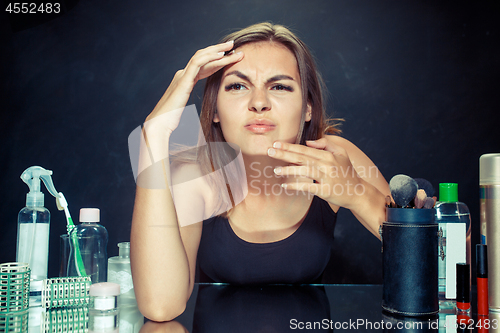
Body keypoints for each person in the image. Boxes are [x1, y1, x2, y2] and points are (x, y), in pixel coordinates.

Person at [130, 22, 390, 321]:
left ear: (307, 107)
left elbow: (445, 260)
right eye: (237, 86)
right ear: (214, 109)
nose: (259, 103)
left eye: (279, 86)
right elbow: (161, 306)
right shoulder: (194, 175)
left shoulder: (333, 157)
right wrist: (153, 134)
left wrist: (357, 194)